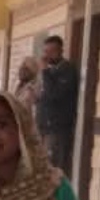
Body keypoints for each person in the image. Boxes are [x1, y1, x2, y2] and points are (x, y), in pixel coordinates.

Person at [35, 35, 79, 174]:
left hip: (57, 128)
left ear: (60, 51)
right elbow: (42, 95)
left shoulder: (67, 70)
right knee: (42, 165)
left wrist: (45, 71)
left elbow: (55, 95)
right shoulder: (49, 71)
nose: (47, 56)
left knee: (54, 167)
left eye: (51, 51)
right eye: (45, 51)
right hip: (43, 126)